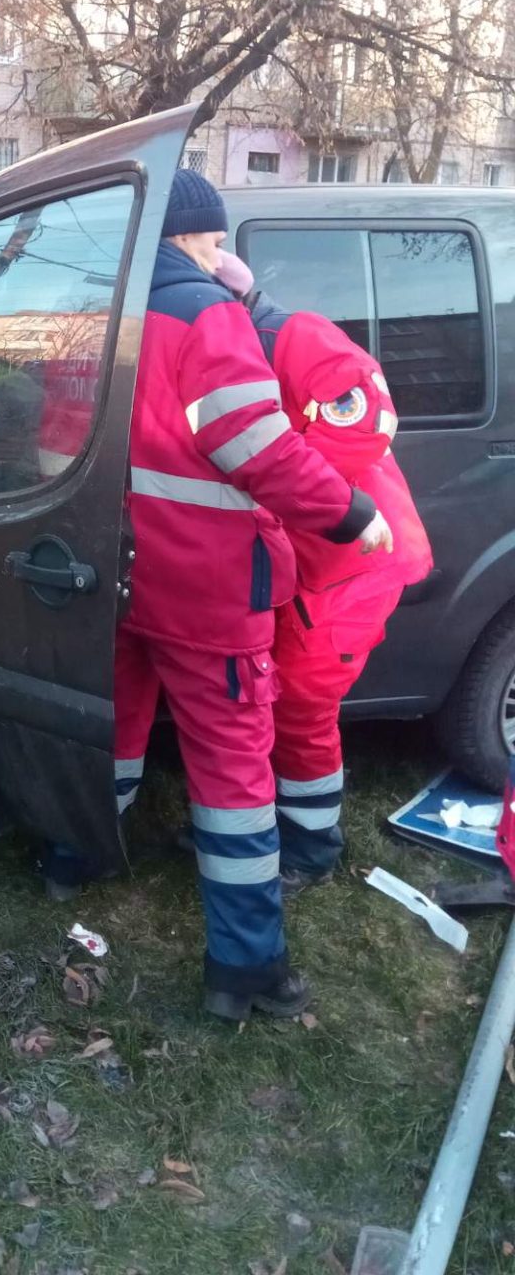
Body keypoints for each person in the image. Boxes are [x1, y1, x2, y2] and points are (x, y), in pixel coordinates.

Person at [108, 169, 391, 1022]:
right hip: (210, 589)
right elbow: (258, 448)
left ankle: (81, 851)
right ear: (189, 235)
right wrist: (351, 515)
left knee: (116, 725)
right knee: (233, 773)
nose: (223, 255)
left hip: (114, 575)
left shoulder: (105, 311)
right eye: (216, 238)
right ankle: (245, 967)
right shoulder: (204, 314)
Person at [213, 249, 433, 893]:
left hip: (347, 569)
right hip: (300, 568)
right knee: (267, 702)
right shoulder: (225, 346)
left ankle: (311, 846)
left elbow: (364, 425)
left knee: (304, 708)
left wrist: (274, 481)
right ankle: (264, 829)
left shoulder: (295, 336)